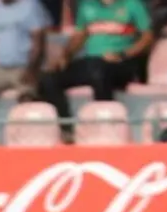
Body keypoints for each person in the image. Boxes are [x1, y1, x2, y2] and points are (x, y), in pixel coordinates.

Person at [37, 0, 153, 142]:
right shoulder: (87, 5)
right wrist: (65, 55)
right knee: (49, 78)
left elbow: (147, 38)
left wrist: (123, 54)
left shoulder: (132, 4)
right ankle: (67, 129)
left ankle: (105, 127)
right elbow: (80, 35)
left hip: (122, 63)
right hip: (92, 62)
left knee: (98, 72)